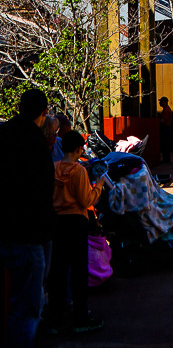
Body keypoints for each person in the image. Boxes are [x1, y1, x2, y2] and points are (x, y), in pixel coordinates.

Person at [0, 88, 53, 348]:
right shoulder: (35, 145)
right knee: (27, 309)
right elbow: (42, 196)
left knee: (14, 305)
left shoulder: (4, 135)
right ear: (43, 113)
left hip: (5, 232)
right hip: (28, 236)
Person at [47, 130, 105, 334]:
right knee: (78, 272)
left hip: (57, 222)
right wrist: (98, 187)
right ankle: (81, 318)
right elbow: (85, 201)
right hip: (77, 222)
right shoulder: (79, 171)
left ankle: (54, 319)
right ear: (80, 149)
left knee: (57, 272)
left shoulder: (53, 168)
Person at [158, 96, 173, 164]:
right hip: (166, 128)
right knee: (165, 144)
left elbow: (163, 120)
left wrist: (157, 122)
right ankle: (166, 158)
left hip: (166, 128)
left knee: (165, 144)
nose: (159, 103)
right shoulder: (165, 109)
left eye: (161, 102)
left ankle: (166, 159)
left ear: (164, 102)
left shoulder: (166, 110)